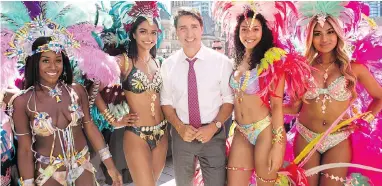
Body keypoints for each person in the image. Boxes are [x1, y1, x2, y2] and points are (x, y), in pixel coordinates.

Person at [284, 2, 382, 185]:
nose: (324, 39)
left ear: (338, 34)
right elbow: (294, 107)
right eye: (317, 34)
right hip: (306, 138)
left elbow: (380, 97)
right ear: (310, 38)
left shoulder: (354, 69)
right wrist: (266, 107)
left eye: (330, 32)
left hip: (338, 140)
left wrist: (363, 121)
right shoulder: (302, 69)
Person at [92, 2, 170, 186]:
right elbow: (94, 91)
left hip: (162, 133)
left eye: (153, 32)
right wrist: (112, 119)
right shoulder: (123, 62)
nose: (149, 37)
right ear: (133, 34)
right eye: (143, 31)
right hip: (136, 135)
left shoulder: (159, 62)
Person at [160, 9, 234, 186]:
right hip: (181, 135)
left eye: (194, 26)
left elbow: (229, 100)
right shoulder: (168, 65)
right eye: (183, 28)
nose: (189, 33)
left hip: (213, 135)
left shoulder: (222, 62)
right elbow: (166, 103)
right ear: (176, 32)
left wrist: (213, 127)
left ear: (202, 28)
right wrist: (179, 127)